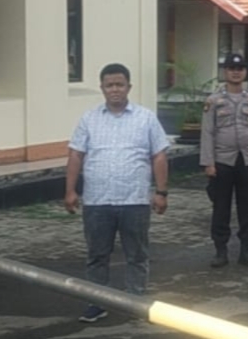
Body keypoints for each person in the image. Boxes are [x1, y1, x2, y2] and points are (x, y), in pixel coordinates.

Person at [64, 63, 170, 323]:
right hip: (97, 201)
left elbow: (159, 156)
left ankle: (135, 301)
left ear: (128, 87)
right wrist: (70, 190)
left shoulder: (146, 118)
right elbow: (76, 155)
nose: (115, 90)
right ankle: (97, 302)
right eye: (109, 85)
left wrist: (161, 192)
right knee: (96, 255)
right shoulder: (89, 119)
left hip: (135, 200)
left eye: (119, 84)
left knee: (137, 255)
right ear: (102, 88)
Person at [200, 52, 248, 268]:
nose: (235, 72)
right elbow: (207, 133)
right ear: (225, 72)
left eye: (240, 69)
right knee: (220, 207)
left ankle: (246, 251)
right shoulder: (213, 101)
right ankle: (220, 251)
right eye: (231, 69)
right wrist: (208, 163)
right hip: (222, 160)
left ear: (245, 72)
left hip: (247, 160)